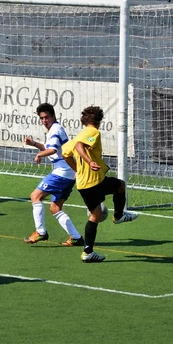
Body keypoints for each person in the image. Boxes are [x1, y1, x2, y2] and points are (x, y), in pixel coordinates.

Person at [62, 106, 137, 263]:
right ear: (99, 120)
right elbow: (79, 147)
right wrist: (90, 162)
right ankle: (119, 215)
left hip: (82, 184)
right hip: (94, 181)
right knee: (121, 185)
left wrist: (77, 169)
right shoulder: (93, 132)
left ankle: (88, 252)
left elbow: (65, 153)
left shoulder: (79, 135)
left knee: (95, 215)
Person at [23, 103, 84, 246]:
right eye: (42, 118)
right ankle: (76, 237)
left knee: (35, 196)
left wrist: (39, 154)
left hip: (62, 171)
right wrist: (34, 144)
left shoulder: (55, 129)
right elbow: (48, 147)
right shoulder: (54, 130)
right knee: (55, 208)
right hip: (68, 172)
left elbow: (52, 151)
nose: (44, 121)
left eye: (47, 117)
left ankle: (41, 232)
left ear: (53, 116)